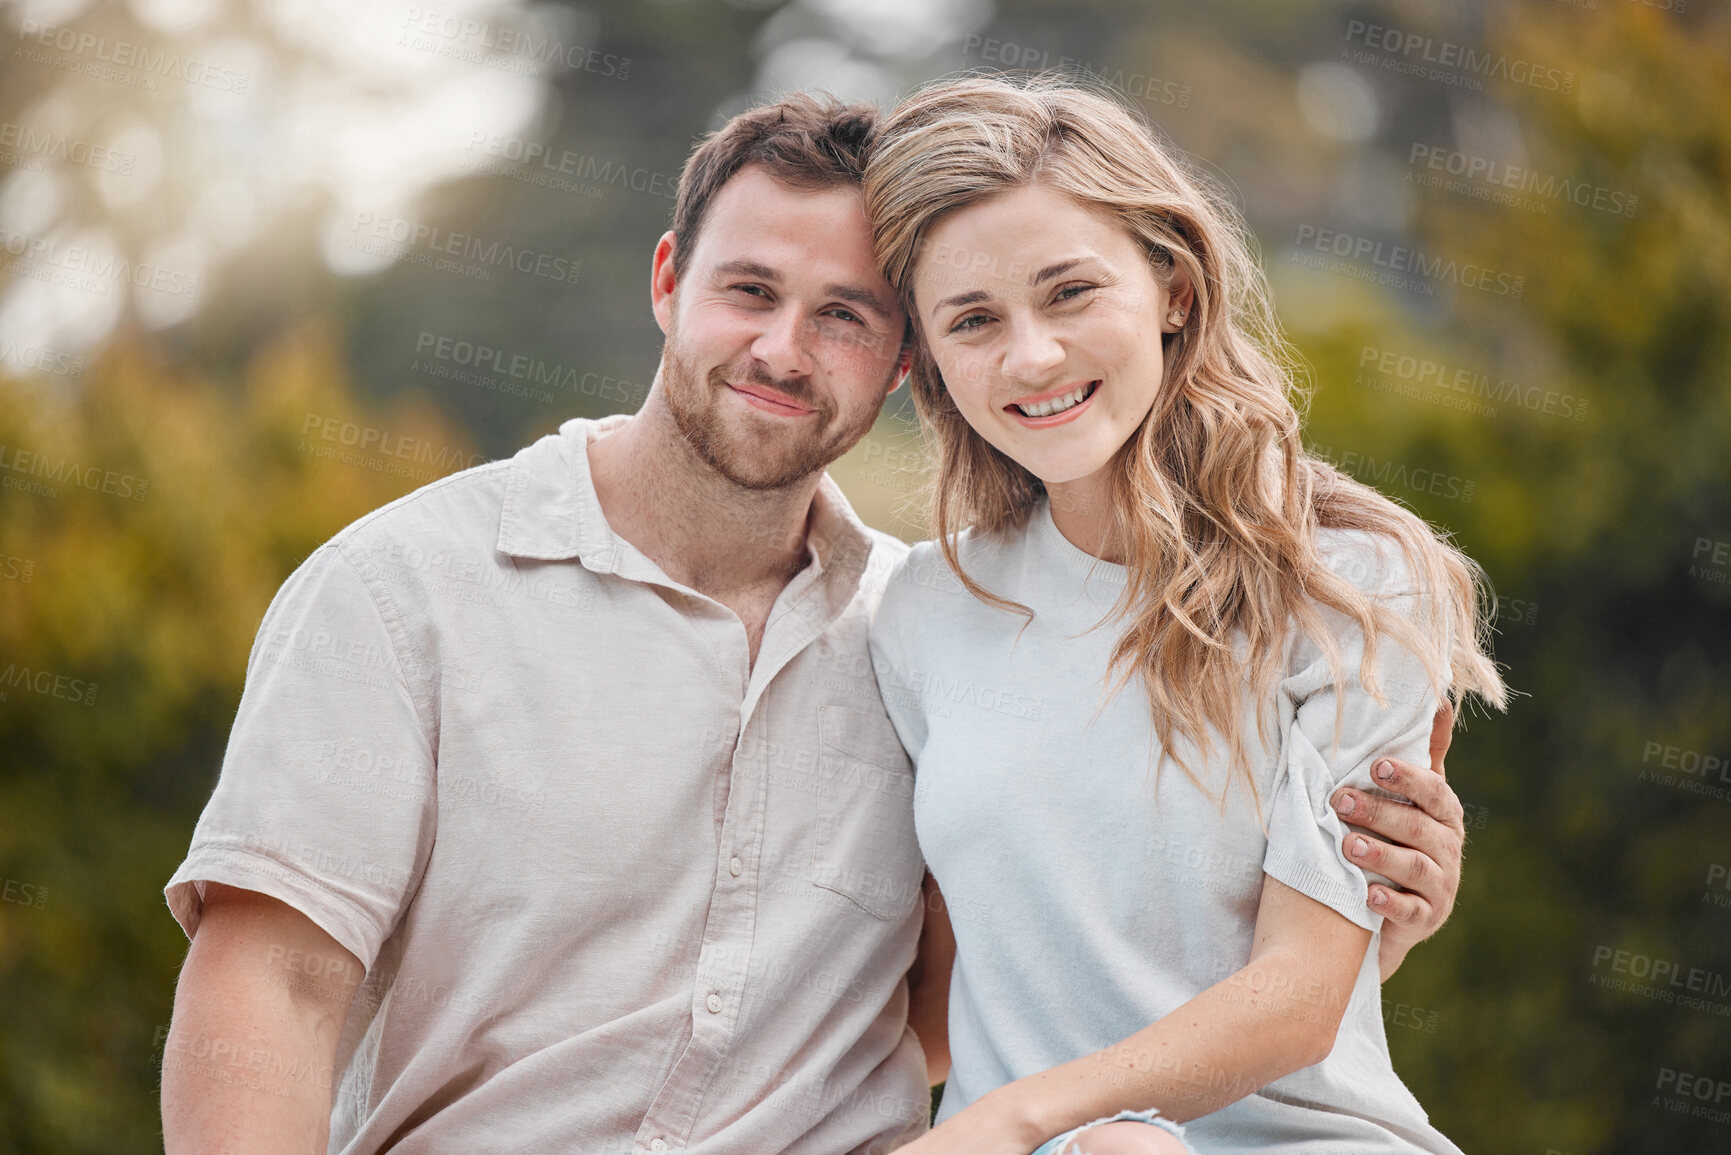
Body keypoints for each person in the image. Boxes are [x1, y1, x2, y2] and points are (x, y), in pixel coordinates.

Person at [158, 90, 1475, 1154]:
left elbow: (1016, 983)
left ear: (899, 361)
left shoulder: (902, 614)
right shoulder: (408, 587)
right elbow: (270, 979)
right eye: (749, 291)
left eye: (844, 315)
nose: (786, 347)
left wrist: (1357, 929)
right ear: (668, 281)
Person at [860, 74, 1507, 1154]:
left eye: (1070, 293)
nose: (1032, 356)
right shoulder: (921, 612)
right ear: (928, 365)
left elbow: (1301, 1000)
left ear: (1173, 287)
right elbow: (931, 1011)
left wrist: (1016, 1119)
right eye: (974, 320)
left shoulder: (1355, 580)